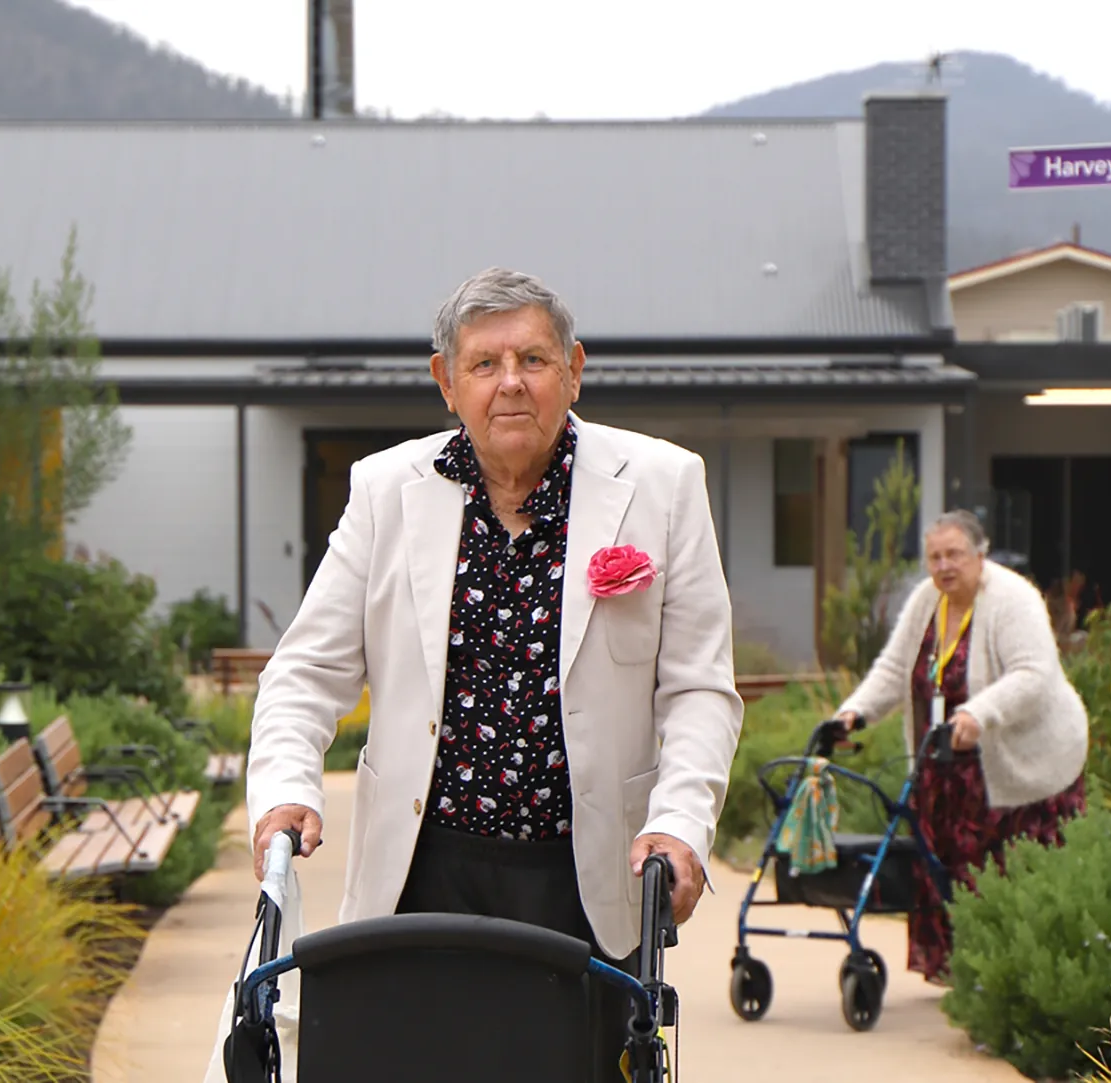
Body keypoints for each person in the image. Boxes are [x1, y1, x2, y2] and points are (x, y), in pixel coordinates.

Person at [243, 267, 744, 1078]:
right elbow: (304, 673)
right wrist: (284, 790)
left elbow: (697, 690)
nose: (509, 382)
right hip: (418, 872)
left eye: (533, 359)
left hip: (580, 878)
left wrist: (680, 824)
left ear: (574, 369)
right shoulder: (384, 490)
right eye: (483, 363)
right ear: (446, 381)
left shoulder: (661, 483)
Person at [834, 509, 1087, 984]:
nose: (944, 566)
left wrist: (978, 712)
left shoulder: (1014, 599)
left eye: (954, 554)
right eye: (934, 556)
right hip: (948, 763)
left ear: (979, 554)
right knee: (946, 867)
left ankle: (1008, 977)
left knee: (1009, 876)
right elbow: (894, 669)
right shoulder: (928, 600)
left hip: (1023, 763)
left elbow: (1034, 675)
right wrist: (854, 713)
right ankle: (962, 976)